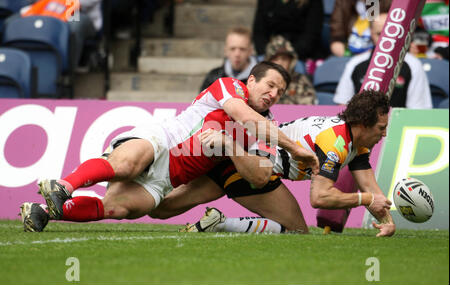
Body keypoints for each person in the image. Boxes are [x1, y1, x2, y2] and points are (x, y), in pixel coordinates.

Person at [19, 61, 320, 232]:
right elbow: (244, 116)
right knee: (126, 166)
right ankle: (64, 185)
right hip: (162, 141)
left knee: (118, 208)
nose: (273, 94)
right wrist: (296, 149)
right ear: (252, 80)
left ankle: (44, 211)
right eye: (269, 85)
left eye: (280, 92)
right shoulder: (231, 86)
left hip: (167, 180)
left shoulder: (267, 127)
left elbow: (258, 174)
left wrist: (231, 147)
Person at [151, 90, 396, 237]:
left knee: (160, 209)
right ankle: (221, 222)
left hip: (235, 163)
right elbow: (320, 198)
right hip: (252, 169)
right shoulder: (335, 143)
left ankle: (140, 189)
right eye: (381, 128)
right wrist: (365, 200)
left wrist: (388, 222)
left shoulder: (357, 142)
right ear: (363, 124)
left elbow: (369, 185)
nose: (383, 134)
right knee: (298, 231)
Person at [333, 12, 433, 109]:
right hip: (361, 124)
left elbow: (418, 110)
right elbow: (343, 105)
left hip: (399, 124)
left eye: (390, 34)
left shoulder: (413, 64)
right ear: (371, 33)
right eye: (380, 34)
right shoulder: (355, 63)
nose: (386, 40)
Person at [252, 0, 324, 62]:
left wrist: (289, 54)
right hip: (272, 51)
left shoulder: (313, 2)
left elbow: (311, 35)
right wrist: (268, 52)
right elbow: (259, 33)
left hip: (301, 54)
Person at [199, 26, 258, 91]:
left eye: (242, 49)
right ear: (225, 51)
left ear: (250, 51)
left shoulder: (259, 79)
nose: (237, 54)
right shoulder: (213, 77)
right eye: (232, 49)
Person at [264, 35, 317, 105]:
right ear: (268, 61)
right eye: (275, 59)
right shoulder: (262, 80)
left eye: (284, 59)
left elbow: (309, 105)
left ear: (291, 61)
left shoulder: (301, 80)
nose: (280, 63)